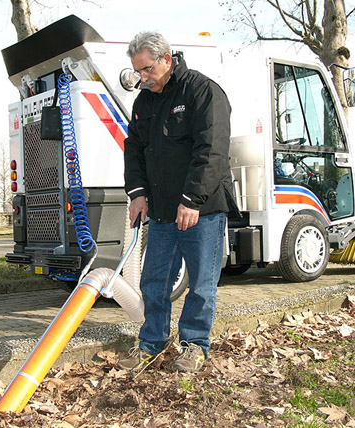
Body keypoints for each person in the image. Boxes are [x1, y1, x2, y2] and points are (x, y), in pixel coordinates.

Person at [118, 31, 234, 373]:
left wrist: (191, 200)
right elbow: (134, 150)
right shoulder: (144, 102)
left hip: (203, 210)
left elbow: (211, 151)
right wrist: (137, 193)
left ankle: (195, 345)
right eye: (137, 71)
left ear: (166, 59)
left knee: (200, 282)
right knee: (153, 281)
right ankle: (151, 344)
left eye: (147, 69)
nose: (142, 77)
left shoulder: (202, 91)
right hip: (162, 210)